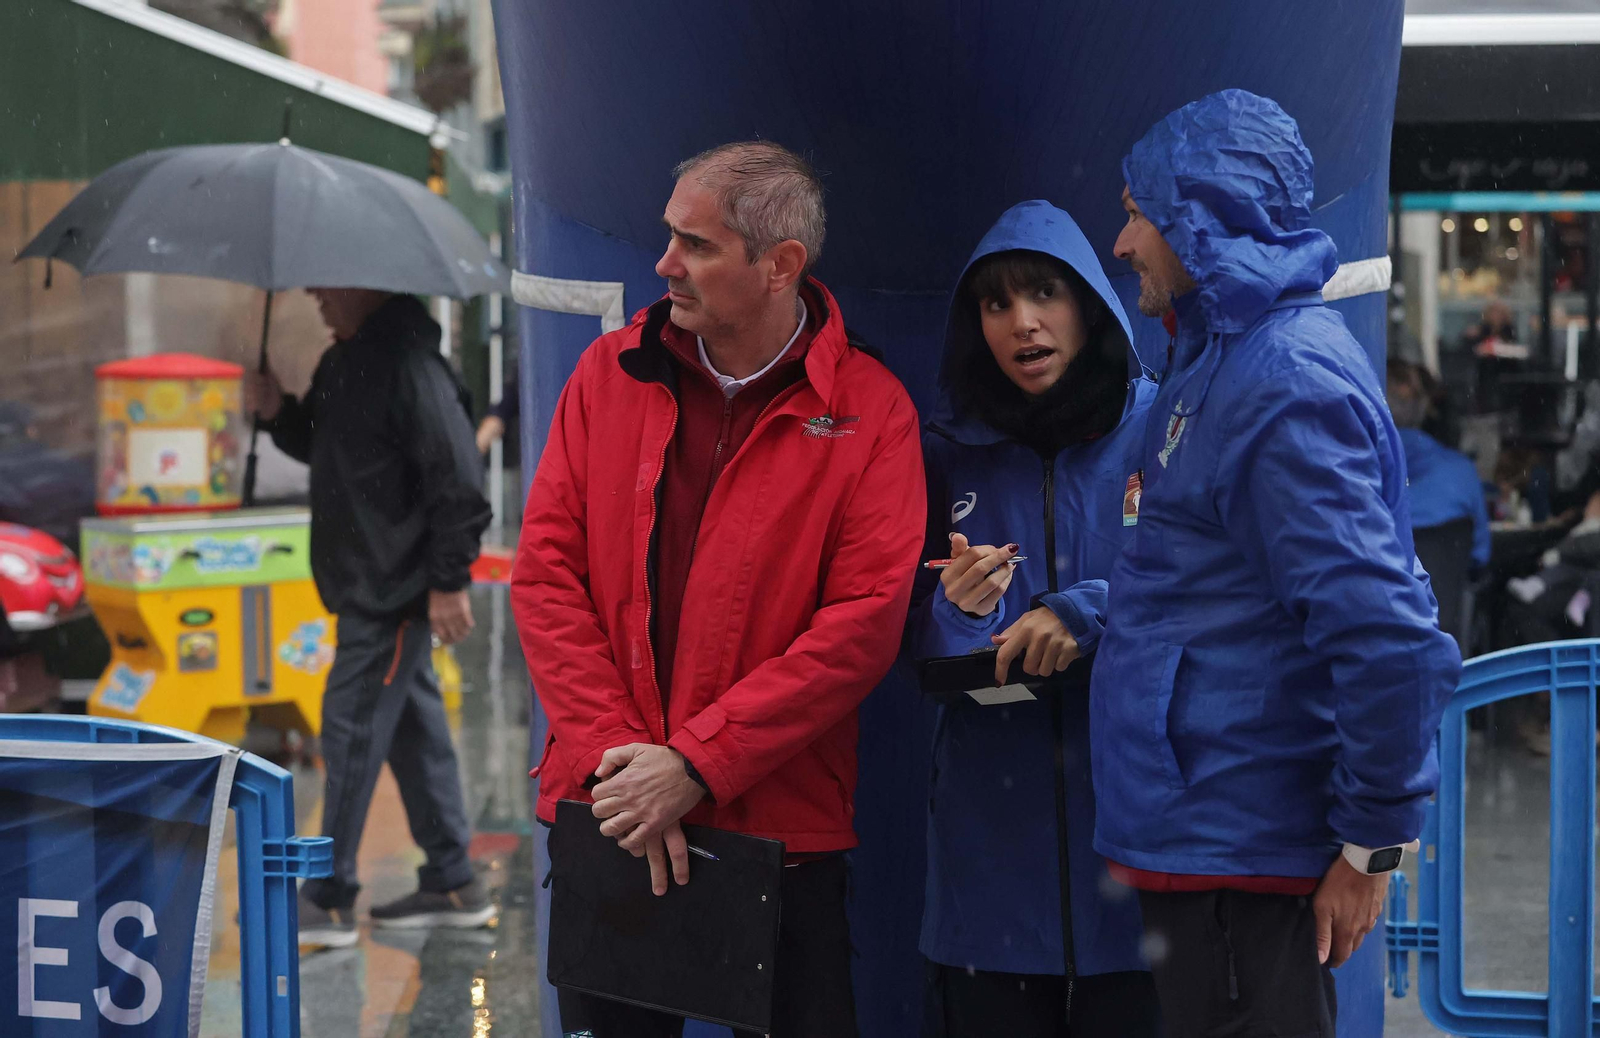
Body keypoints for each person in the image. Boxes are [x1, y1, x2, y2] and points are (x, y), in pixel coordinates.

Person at [510, 141, 925, 1038]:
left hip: (779, 832)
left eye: (695, 245)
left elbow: (862, 624)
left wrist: (697, 765)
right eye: (669, 237)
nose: (663, 266)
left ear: (779, 267)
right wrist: (625, 763)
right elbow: (545, 578)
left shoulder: (871, 408)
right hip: (612, 812)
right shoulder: (606, 374)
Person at [1092, 89, 1461, 1037]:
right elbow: (1204, 589)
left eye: (1137, 213)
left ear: (1201, 216)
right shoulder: (1222, 362)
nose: (1123, 243)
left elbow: (1384, 632)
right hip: (1214, 843)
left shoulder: (1277, 383)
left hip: (1242, 856)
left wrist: (1373, 840)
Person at [905, 200, 1159, 1038]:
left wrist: (1085, 612)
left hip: (1140, 847)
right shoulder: (943, 450)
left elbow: (1222, 586)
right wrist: (954, 614)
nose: (1023, 323)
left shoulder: (1162, 428)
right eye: (996, 303)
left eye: (1044, 294)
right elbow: (895, 626)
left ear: (1089, 301)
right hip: (990, 867)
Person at [248, 287, 495, 948]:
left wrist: (448, 581)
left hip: (395, 591)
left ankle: (330, 896)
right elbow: (332, 446)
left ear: (366, 284)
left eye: (327, 282)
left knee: (351, 728)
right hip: (368, 584)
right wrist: (278, 414)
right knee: (413, 731)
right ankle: (451, 880)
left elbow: (460, 479)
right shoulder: (344, 360)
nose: (313, 294)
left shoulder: (413, 365)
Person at [1388, 358, 1491, 571]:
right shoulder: (1463, 472)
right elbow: (1480, 556)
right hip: (1447, 601)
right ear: (1424, 407)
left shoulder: (1358, 478)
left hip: (1381, 602)